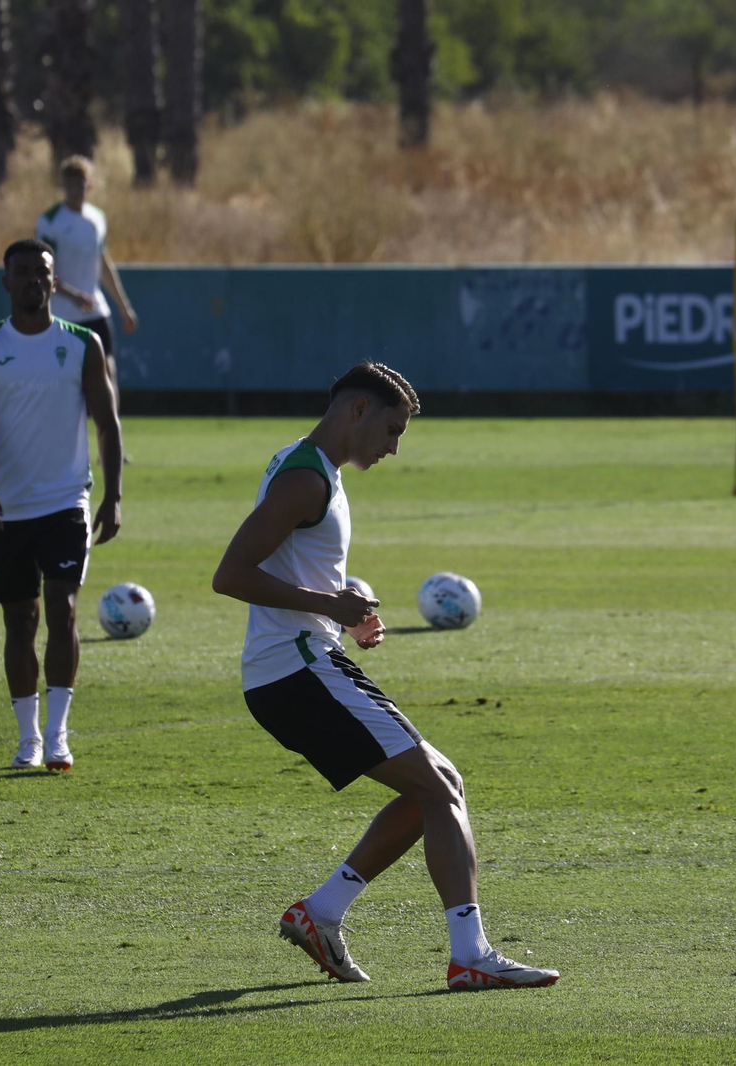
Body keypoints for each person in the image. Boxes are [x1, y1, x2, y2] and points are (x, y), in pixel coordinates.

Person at [211, 363, 560, 992]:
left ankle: (320, 914)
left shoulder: (312, 469)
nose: (394, 447)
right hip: (296, 668)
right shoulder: (304, 478)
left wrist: (343, 607)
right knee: (440, 791)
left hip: (302, 662)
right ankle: (469, 955)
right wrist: (331, 609)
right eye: (393, 430)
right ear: (357, 411)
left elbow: (295, 567)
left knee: (437, 787)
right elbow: (230, 574)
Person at [0, 238, 123, 772]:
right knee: (19, 621)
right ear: (6, 282)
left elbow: (107, 424)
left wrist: (113, 495)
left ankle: (57, 735)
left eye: (41, 272)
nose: (32, 279)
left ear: (55, 282)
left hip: (66, 503)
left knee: (62, 608)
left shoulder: (81, 345)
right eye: (22, 271)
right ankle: (26, 737)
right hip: (7, 509)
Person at [35, 155, 138, 461]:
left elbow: (103, 264)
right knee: (65, 380)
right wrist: (71, 294)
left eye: (81, 184)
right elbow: (43, 270)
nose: (76, 191)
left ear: (89, 185)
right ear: (62, 186)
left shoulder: (96, 219)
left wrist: (123, 306)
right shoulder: (50, 221)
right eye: (70, 185)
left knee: (108, 371)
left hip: (96, 311)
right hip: (64, 314)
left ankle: (113, 446)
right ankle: (62, 446)